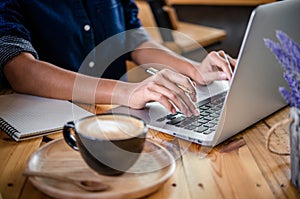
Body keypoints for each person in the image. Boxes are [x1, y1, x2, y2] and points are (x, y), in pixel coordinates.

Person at [0, 0, 235, 117]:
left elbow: (135, 40)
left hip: (119, 116)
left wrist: (194, 69)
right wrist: (127, 91)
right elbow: (19, 69)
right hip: (53, 125)